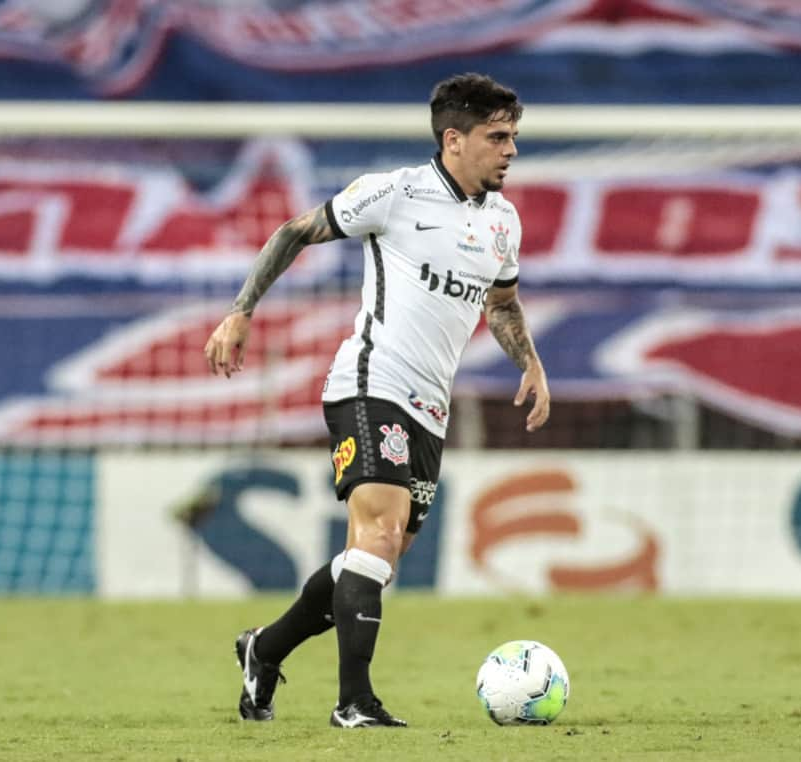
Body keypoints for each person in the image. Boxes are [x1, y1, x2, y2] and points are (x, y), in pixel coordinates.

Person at [204, 72, 550, 729]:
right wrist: (240, 312)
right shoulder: (394, 193)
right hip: (371, 383)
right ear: (454, 139)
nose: (510, 150)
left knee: (376, 559)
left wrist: (529, 361)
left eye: (514, 137)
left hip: (430, 408)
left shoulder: (503, 222)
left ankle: (264, 648)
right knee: (379, 535)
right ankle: (354, 703)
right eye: (497, 137)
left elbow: (502, 305)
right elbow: (294, 232)